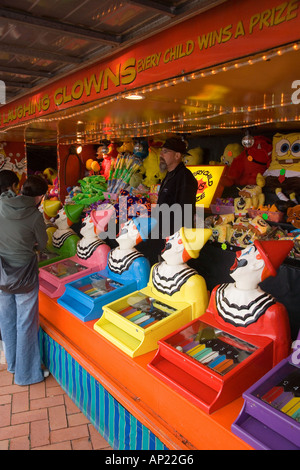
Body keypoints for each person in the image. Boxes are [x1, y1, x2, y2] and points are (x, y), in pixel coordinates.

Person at [0, 174, 49, 385]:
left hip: (2, 272)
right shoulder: (35, 216)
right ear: (39, 197)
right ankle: (26, 374)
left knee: (7, 319)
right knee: (26, 324)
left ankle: (12, 364)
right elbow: (44, 243)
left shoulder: (1, 204)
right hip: (24, 276)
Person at [139, 137, 198, 265]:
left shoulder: (185, 177)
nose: (161, 154)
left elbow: (184, 213)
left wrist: (171, 239)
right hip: (163, 236)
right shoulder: (169, 175)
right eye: (161, 151)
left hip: (174, 241)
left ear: (177, 155)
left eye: (165, 151)